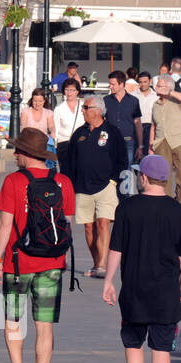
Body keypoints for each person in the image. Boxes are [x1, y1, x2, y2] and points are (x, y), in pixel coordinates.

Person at [102, 154, 181, 363]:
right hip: (166, 292)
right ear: (165, 180)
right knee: (161, 348)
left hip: (133, 290)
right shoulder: (178, 211)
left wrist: (109, 281)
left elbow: (116, 249)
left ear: (143, 177)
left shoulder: (127, 209)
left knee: (133, 342)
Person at [0, 127, 76, 363]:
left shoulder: (13, 181)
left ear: (27, 154)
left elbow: (5, 224)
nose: (14, 154)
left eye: (18, 150)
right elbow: (67, 224)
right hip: (51, 263)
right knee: (44, 325)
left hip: (17, 263)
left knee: (14, 320)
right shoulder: (63, 182)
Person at [68, 95, 126, 278]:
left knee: (103, 223)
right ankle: (96, 263)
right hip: (82, 187)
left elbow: (122, 159)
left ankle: (102, 265)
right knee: (88, 227)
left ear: (98, 110)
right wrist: (70, 184)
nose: (83, 110)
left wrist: (114, 180)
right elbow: (69, 161)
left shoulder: (112, 132)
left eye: (86, 107)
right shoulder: (79, 133)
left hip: (105, 186)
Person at [149, 75, 181, 204]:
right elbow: (153, 126)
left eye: (160, 85)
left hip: (178, 141)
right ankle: (167, 205)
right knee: (163, 179)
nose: (156, 87)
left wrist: (170, 92)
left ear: (168, 87)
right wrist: (150, 147)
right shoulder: (155, 105)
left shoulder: (176, 100)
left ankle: (179, 200)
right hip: (160, 143)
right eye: (157, 85)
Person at [103, 70, 144, 168]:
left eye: (113, 84)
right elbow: (102, 123)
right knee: (110, 169)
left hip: (128, 142)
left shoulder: (134, 101)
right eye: (110, 84)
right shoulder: (105, 100)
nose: (110, 86)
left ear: (121, 84)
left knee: (126, 171)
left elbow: (138, 124)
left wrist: (140, 146)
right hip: (110, 142)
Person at [52, 78, 83, 176]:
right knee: (65, 172)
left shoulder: (83, 107)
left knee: (80, 170)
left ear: (77, 91)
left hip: (81, 143)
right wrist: (54, 146)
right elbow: (55, 129)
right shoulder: (59, 108)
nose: (69, 93)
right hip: (64, 144)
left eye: (72, 90)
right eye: (67, 89)